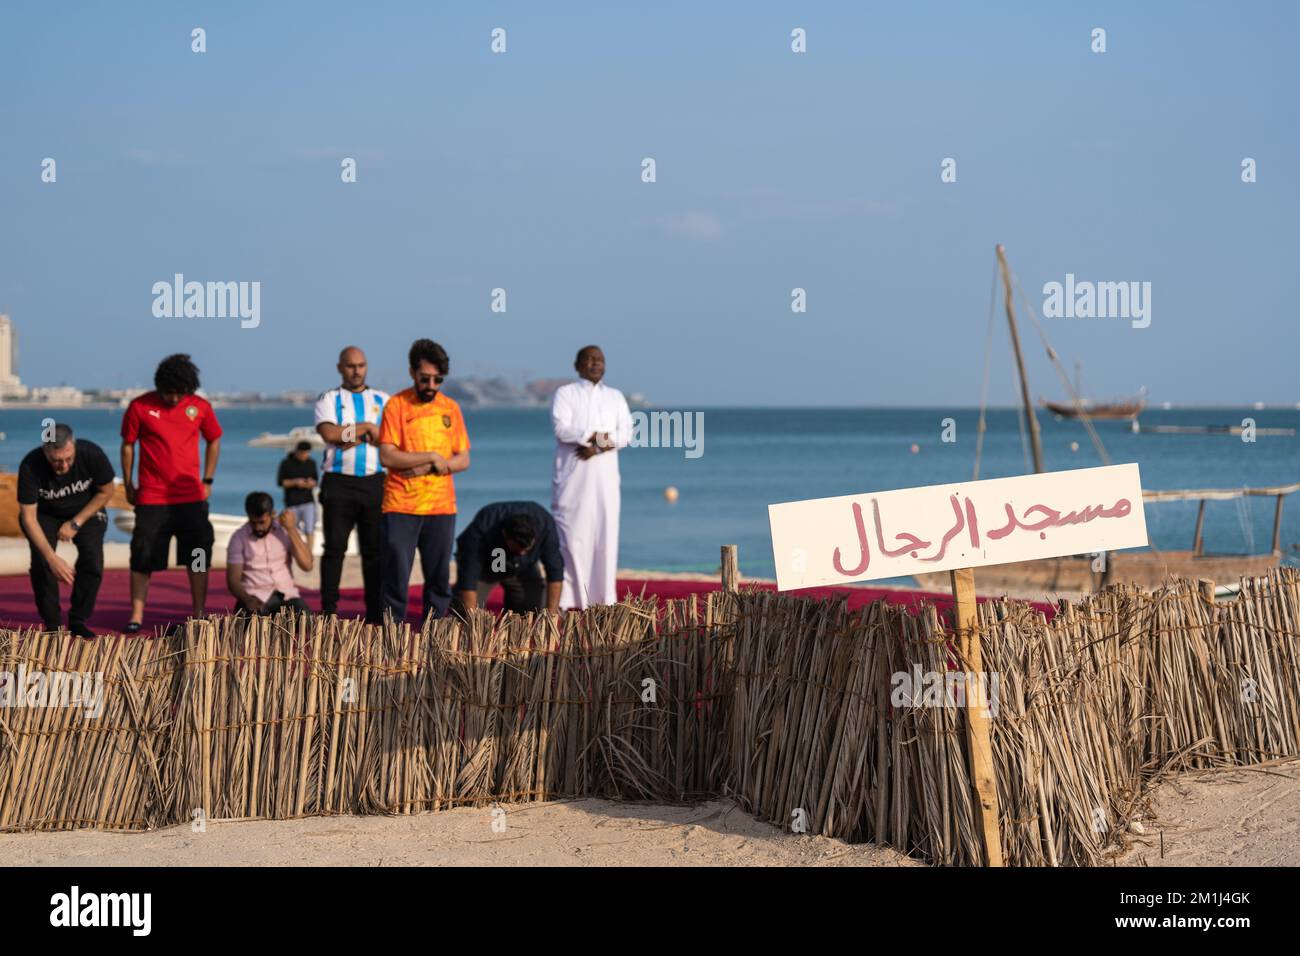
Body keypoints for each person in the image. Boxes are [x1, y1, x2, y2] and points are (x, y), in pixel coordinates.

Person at [120, 354, 222, 632]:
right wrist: (128, 483)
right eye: (168, 393)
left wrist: (208, 479)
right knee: (142, 552)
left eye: (180, 393)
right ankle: (136, 615)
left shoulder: (200, 407)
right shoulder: (139, 406)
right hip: (152, 496)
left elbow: (214, 439)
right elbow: (128, 445)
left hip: (191, 496)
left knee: (199, 552)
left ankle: (199, 612)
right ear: (159, 386)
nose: (174, 398)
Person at [377, 339, 470, 622]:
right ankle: (391, 644)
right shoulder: (396, 406)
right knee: (396, 577)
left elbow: (463, 459)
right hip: (401, 505)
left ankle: (435, 642)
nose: (431, 385)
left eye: (438, 379)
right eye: (425, 378)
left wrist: (432, 468)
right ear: (412, 373)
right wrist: (430, 456)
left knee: (439, 580)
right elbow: (388, 456)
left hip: (441, 507)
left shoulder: (450, 408)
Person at [550, 345, 633, 609]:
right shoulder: (566, 394)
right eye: (590, 360)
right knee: (572, 536)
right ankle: (569, 600)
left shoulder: (615, 397)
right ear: (577, 365)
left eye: (600, 360)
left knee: (605, 536)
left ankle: (603, 599)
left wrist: (596, 444)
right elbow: (562, 429)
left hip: (606, 482)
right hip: (573, 479)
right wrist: (599, 435)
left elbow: (626, 434)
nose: (596, 364)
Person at [16, 424, 115, 637]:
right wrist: (52, 558)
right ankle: (52, 624)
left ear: (74, 446)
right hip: (45, 515)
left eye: (68, 458)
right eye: (56, 461)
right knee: (42, 562)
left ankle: (78, 618)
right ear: (45, 452)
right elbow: (28, 518)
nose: (64, 466)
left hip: (85, 511)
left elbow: (107, 491)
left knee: (92, 557)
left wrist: (75, 523)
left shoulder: (91, 453)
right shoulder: (30, 466)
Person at [314, 346, 389, 622]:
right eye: (350, 366)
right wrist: (367, 429)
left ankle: (376, 613)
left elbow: (389, 438)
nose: (356, 371)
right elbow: (329, 434)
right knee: (334, 549)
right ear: (339, 368)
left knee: (374, 551)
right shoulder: (329, 398)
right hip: (338, 483)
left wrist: (349, 435)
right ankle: (329, 611)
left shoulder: (383, 399)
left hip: (374, 482)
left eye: (361, 365)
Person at [453, 502, 564, 615]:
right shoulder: (483, 527)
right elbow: (468, 578)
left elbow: (555, 572)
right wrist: (471, 617)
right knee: (462, 609)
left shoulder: (545, 526)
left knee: (532, 609)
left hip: (522, 567)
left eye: (526, 549)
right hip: (487, 563)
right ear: (505, 534)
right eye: (518, 549)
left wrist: (552, 613)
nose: (522, 552)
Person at [226, 492, 314, 617]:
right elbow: (233, 579)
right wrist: (247, 599)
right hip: (254, 596)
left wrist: (291, 529)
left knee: (309, 623)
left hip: (287, 596)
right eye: (253, 522)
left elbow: (307, 565)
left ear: (272, 514)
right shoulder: (238, 538)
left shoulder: (285, 530)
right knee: (251, 628)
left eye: (262, 522)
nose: (258, 528)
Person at [278, 440, 319, 541]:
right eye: (303, 453)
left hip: (308, 501)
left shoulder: (311, 463)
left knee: (310, 529)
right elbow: (281, 482)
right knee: (292, 529)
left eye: (307, 453)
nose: (305, 455)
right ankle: (294, 552)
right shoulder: (286, 463)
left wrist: (310, 483)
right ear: (298, 452)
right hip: (292, 502)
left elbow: (315, 481)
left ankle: (309, 554)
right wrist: (295, 482)